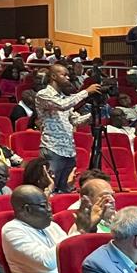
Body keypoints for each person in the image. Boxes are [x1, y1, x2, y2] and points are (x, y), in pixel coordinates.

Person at [32, 63, 100, 192]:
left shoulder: (64, 97)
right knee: (50, 187)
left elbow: (75, 120)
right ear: (53, 76)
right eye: (64, 75)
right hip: (52, 147)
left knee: (66, 190)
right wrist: (86, 92)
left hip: (69, 149)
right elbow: (62, 105)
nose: (68, 78)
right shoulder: (43, 94)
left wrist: (94, 113)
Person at [0, 186, 70, 273]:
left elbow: (70, 256)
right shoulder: (12, 230)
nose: (50, 209)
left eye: (49, 204)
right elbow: (47, 262)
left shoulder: (51, 226)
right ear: (27, 209)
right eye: (44, 206)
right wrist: (79, 231)